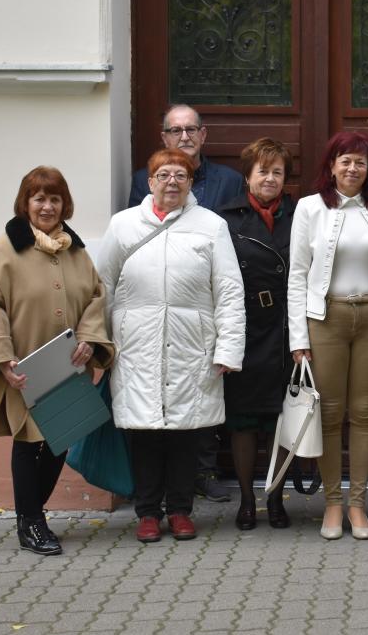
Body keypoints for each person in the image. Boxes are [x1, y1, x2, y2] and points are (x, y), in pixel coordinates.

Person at [97, 149, 245, 544]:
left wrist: (228, 349)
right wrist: (101, 344)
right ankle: (147, 513)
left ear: (191, 183)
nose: (172, 181)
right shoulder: (123, 225)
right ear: (149, 181)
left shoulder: (211, 225)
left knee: (185, 433)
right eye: (163, 174)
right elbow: (102, 287)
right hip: (135, 346)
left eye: (181, 174)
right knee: (144, 433)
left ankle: (180, 511)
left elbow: (229, 290)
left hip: (191, 345)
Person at [0, 166, 114, 556]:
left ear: (65, 204)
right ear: (25, 203)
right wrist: (1, 359)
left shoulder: (77, 251)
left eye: (55, 199)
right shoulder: (5, 248)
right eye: (39, 198)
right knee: (29, 442)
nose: (47, 206)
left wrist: (90, 339)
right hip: (24, 366)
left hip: (66, 365)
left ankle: (34, 514)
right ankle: (29, 522)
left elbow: (97, 298)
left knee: (59, 440)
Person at [288, 131, 368, 541]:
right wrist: (298, 339)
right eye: (345, 160)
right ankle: (333, 505)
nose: (353, 168)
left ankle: (358, 504)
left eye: (360, 161)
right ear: (331, 166)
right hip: (326, 321)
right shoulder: (310, 209)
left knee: (364, 414)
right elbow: (297, 277)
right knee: (329, 414)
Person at [128, 103, 245, 503]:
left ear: (203, 134)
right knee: (159, 396)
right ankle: (155, 493)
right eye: (175, 131)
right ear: (163, 137)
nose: (184, 137)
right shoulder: (141, 180)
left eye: (191, 129)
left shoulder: (229, 181)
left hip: (205, 299)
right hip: (156, 308)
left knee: (202, 392)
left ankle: (204, 472)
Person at [217, 138, 296, 530]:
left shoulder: (300, 215)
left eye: (277, 171)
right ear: (248, 175)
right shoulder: (225, 219)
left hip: (286, 329)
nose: (270, 178)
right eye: (263, 171)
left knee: (282, 419)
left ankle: (276, 496)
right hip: (244, 328)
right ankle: (247, 499)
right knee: (244, 421)